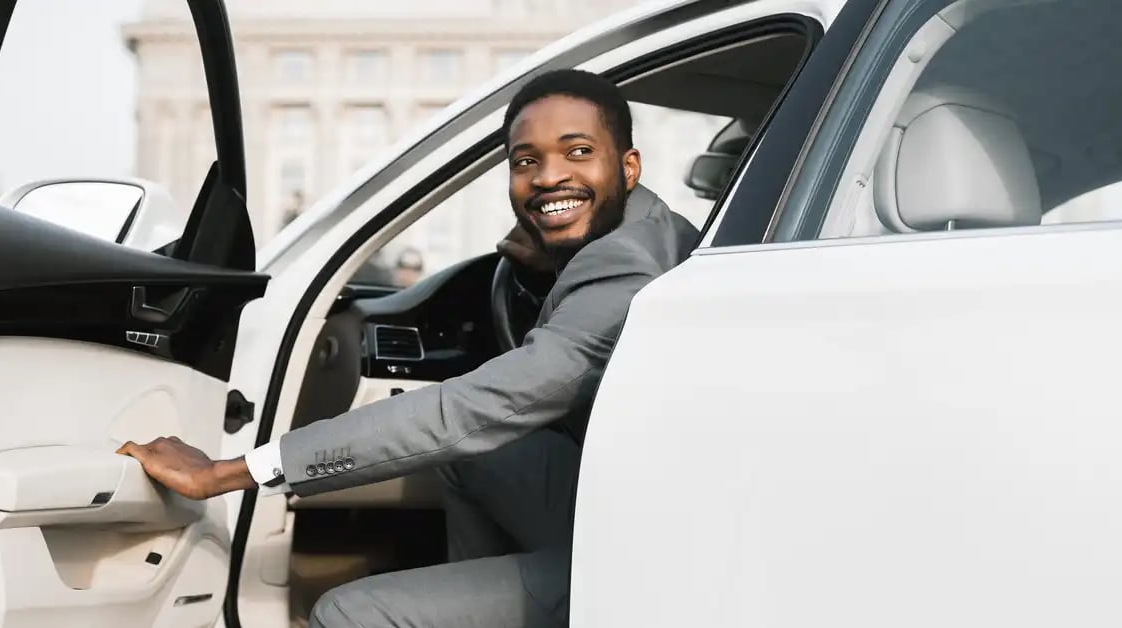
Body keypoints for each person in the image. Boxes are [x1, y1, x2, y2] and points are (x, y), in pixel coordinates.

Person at [117, 69, 699, 628]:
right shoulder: (650, 229)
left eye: (577, 152)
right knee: (474, 453)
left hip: (650, 560)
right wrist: (550, 266)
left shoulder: (622, 266)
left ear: (628, 165)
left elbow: (469, 408)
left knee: (346, 612)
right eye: (527, 161)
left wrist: (231, 469)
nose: (547, 177)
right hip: (647, 503)